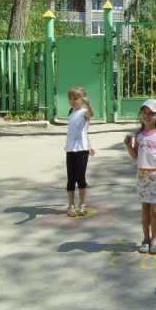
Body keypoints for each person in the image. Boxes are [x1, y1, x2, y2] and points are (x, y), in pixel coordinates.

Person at [124, 99, 156, 255]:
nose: (147, 115)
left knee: (155, 211)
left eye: (151, 113)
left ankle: (154, 239)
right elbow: (135, 156)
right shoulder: (139, 135)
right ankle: (145, 239)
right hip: (143, 176)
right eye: (144, 112)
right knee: (145, 209)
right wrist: (128, 146)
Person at [64, 86, 94, 217]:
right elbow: (84, 132)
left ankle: (82, 204)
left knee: (80, 177)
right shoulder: (71, 112)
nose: (72, 101)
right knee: (71, 178)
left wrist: (88, 104)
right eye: (70, 98)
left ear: (82, 99)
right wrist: (91, 144)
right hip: (70, 148)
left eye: (75, 98)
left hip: (82, 149)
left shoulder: (84, 112)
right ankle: (71, 205)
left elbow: (91, 114)